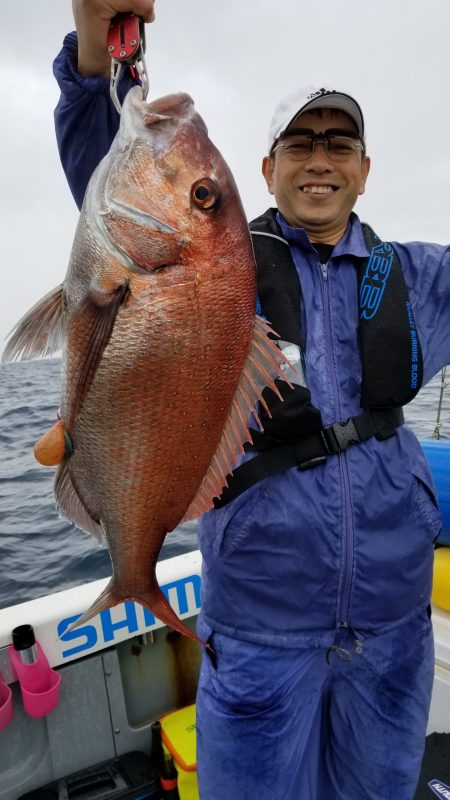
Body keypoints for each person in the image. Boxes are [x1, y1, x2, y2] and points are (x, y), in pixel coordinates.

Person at [53, 3, 450, 798]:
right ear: (267, 168)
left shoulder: (419, 277)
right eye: (300, 142)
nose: (320, 160)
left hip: (396, 629)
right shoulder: (221, 257)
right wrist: (95, 56)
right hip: (261, 632)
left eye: (340, 143)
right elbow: (116, 171)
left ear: (365, 169)